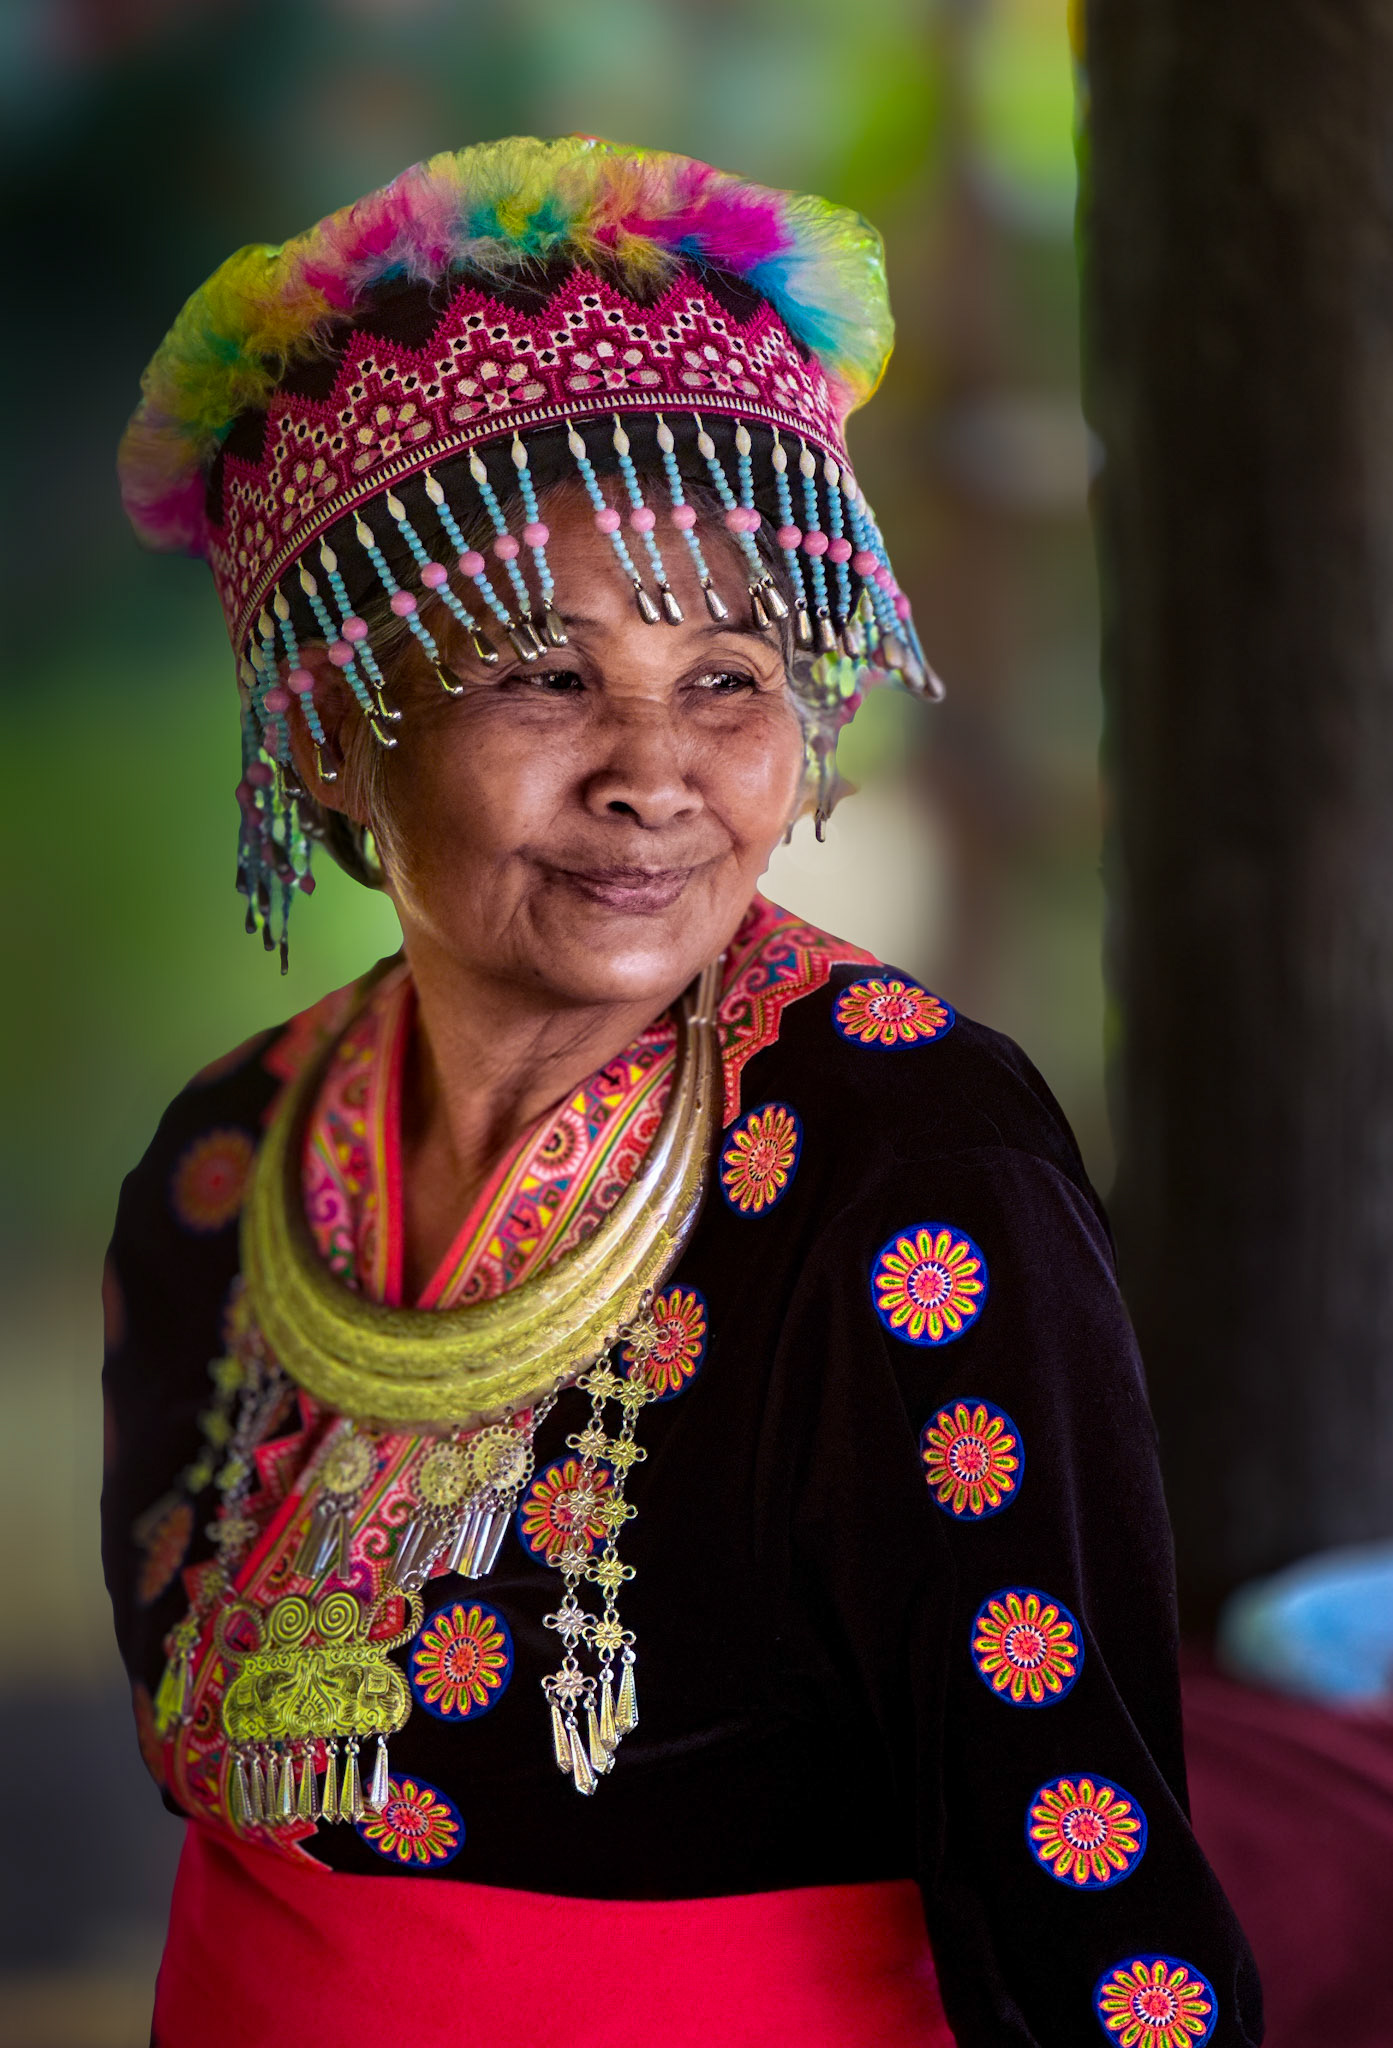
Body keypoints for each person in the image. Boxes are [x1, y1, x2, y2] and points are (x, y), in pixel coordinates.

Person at [105, 136, 1262, 2047]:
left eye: (727, 677)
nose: (658, 772)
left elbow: (1077, 1866)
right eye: (546, 677)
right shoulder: (223, 1164)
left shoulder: (910, 1171)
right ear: (330, 736)